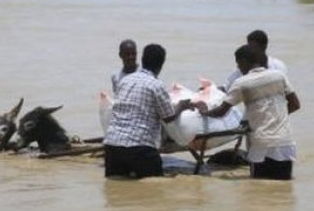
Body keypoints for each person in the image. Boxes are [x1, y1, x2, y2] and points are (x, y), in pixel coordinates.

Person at [201, 44, 301, 180]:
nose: (238, 68)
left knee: (259, 187)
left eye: (238, 64)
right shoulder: (279, 76)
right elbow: (295, 105)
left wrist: (203, 111)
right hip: (284, 142)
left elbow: (221, 112)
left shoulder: (242, 83)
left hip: (260, 143)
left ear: (243, 61)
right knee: (283, 188)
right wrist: (274, 117)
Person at [103, 43, 198, 178]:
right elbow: (168, 117)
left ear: (142, 59)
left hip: (112, 147)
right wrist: (181, 106)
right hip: (140, 148)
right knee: (155, 188)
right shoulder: (156, 85)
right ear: (161, 65)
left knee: (115, 190)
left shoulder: (125, 81)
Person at [222, 29, 287, 92]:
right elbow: (227, 88)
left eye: (254, 48)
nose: (251, 51)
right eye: (249, 47)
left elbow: (285, 90)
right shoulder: (243, 67)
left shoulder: (278, 67)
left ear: (264, 47)